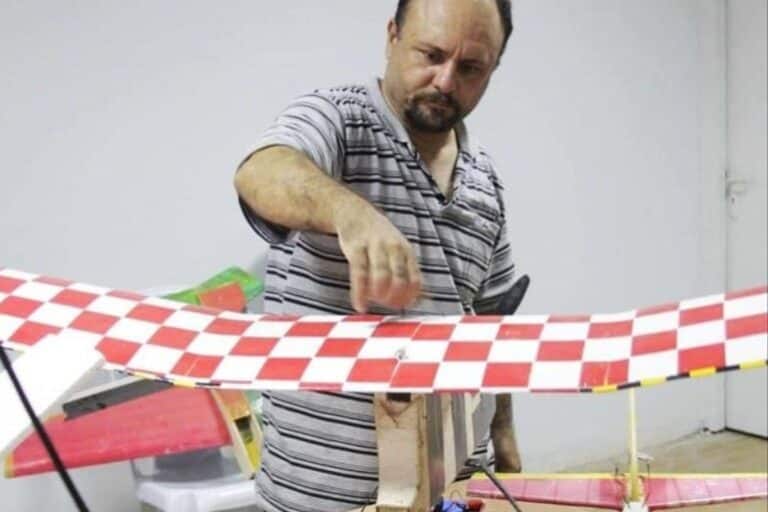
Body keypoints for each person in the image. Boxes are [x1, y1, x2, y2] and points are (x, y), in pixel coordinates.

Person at [234, 1, 520, 510]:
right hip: (318, 500)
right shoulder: (338, 119)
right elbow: (261, 171)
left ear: (494, 69)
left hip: (453, 494)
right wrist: (350, 213)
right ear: (392, 36)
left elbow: (492, 329)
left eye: (471, 67)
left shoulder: (486, 182)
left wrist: (508, 450)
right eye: (431, 54)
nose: (445, 81)